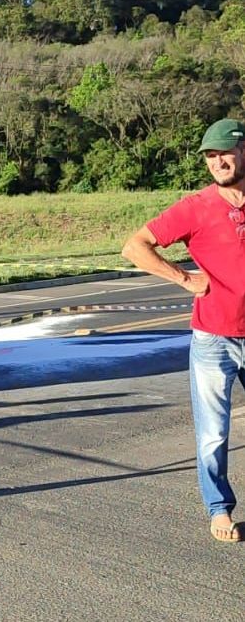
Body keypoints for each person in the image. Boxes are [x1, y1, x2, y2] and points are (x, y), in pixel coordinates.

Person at [122, 117, 245, 542]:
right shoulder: (195, 207)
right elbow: (135, 246)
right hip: (214, 338)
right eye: (210, 156)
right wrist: (184, 278)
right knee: (213, 432)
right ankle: (219, 510)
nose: (217, 161)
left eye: (224, 152)